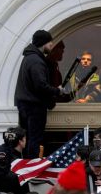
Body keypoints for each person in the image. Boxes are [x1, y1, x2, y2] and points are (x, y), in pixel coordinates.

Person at [14, 29, 66, 158]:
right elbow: (40, 86)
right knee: (34, 139)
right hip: (34, 107)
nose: (51, 46)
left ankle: (28, 164)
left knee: (28, 138)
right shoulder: (37, 61)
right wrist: (57, 90)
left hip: (26, 105)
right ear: (43, 43)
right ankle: (33, 166)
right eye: (50, 43)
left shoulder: (28, 58)